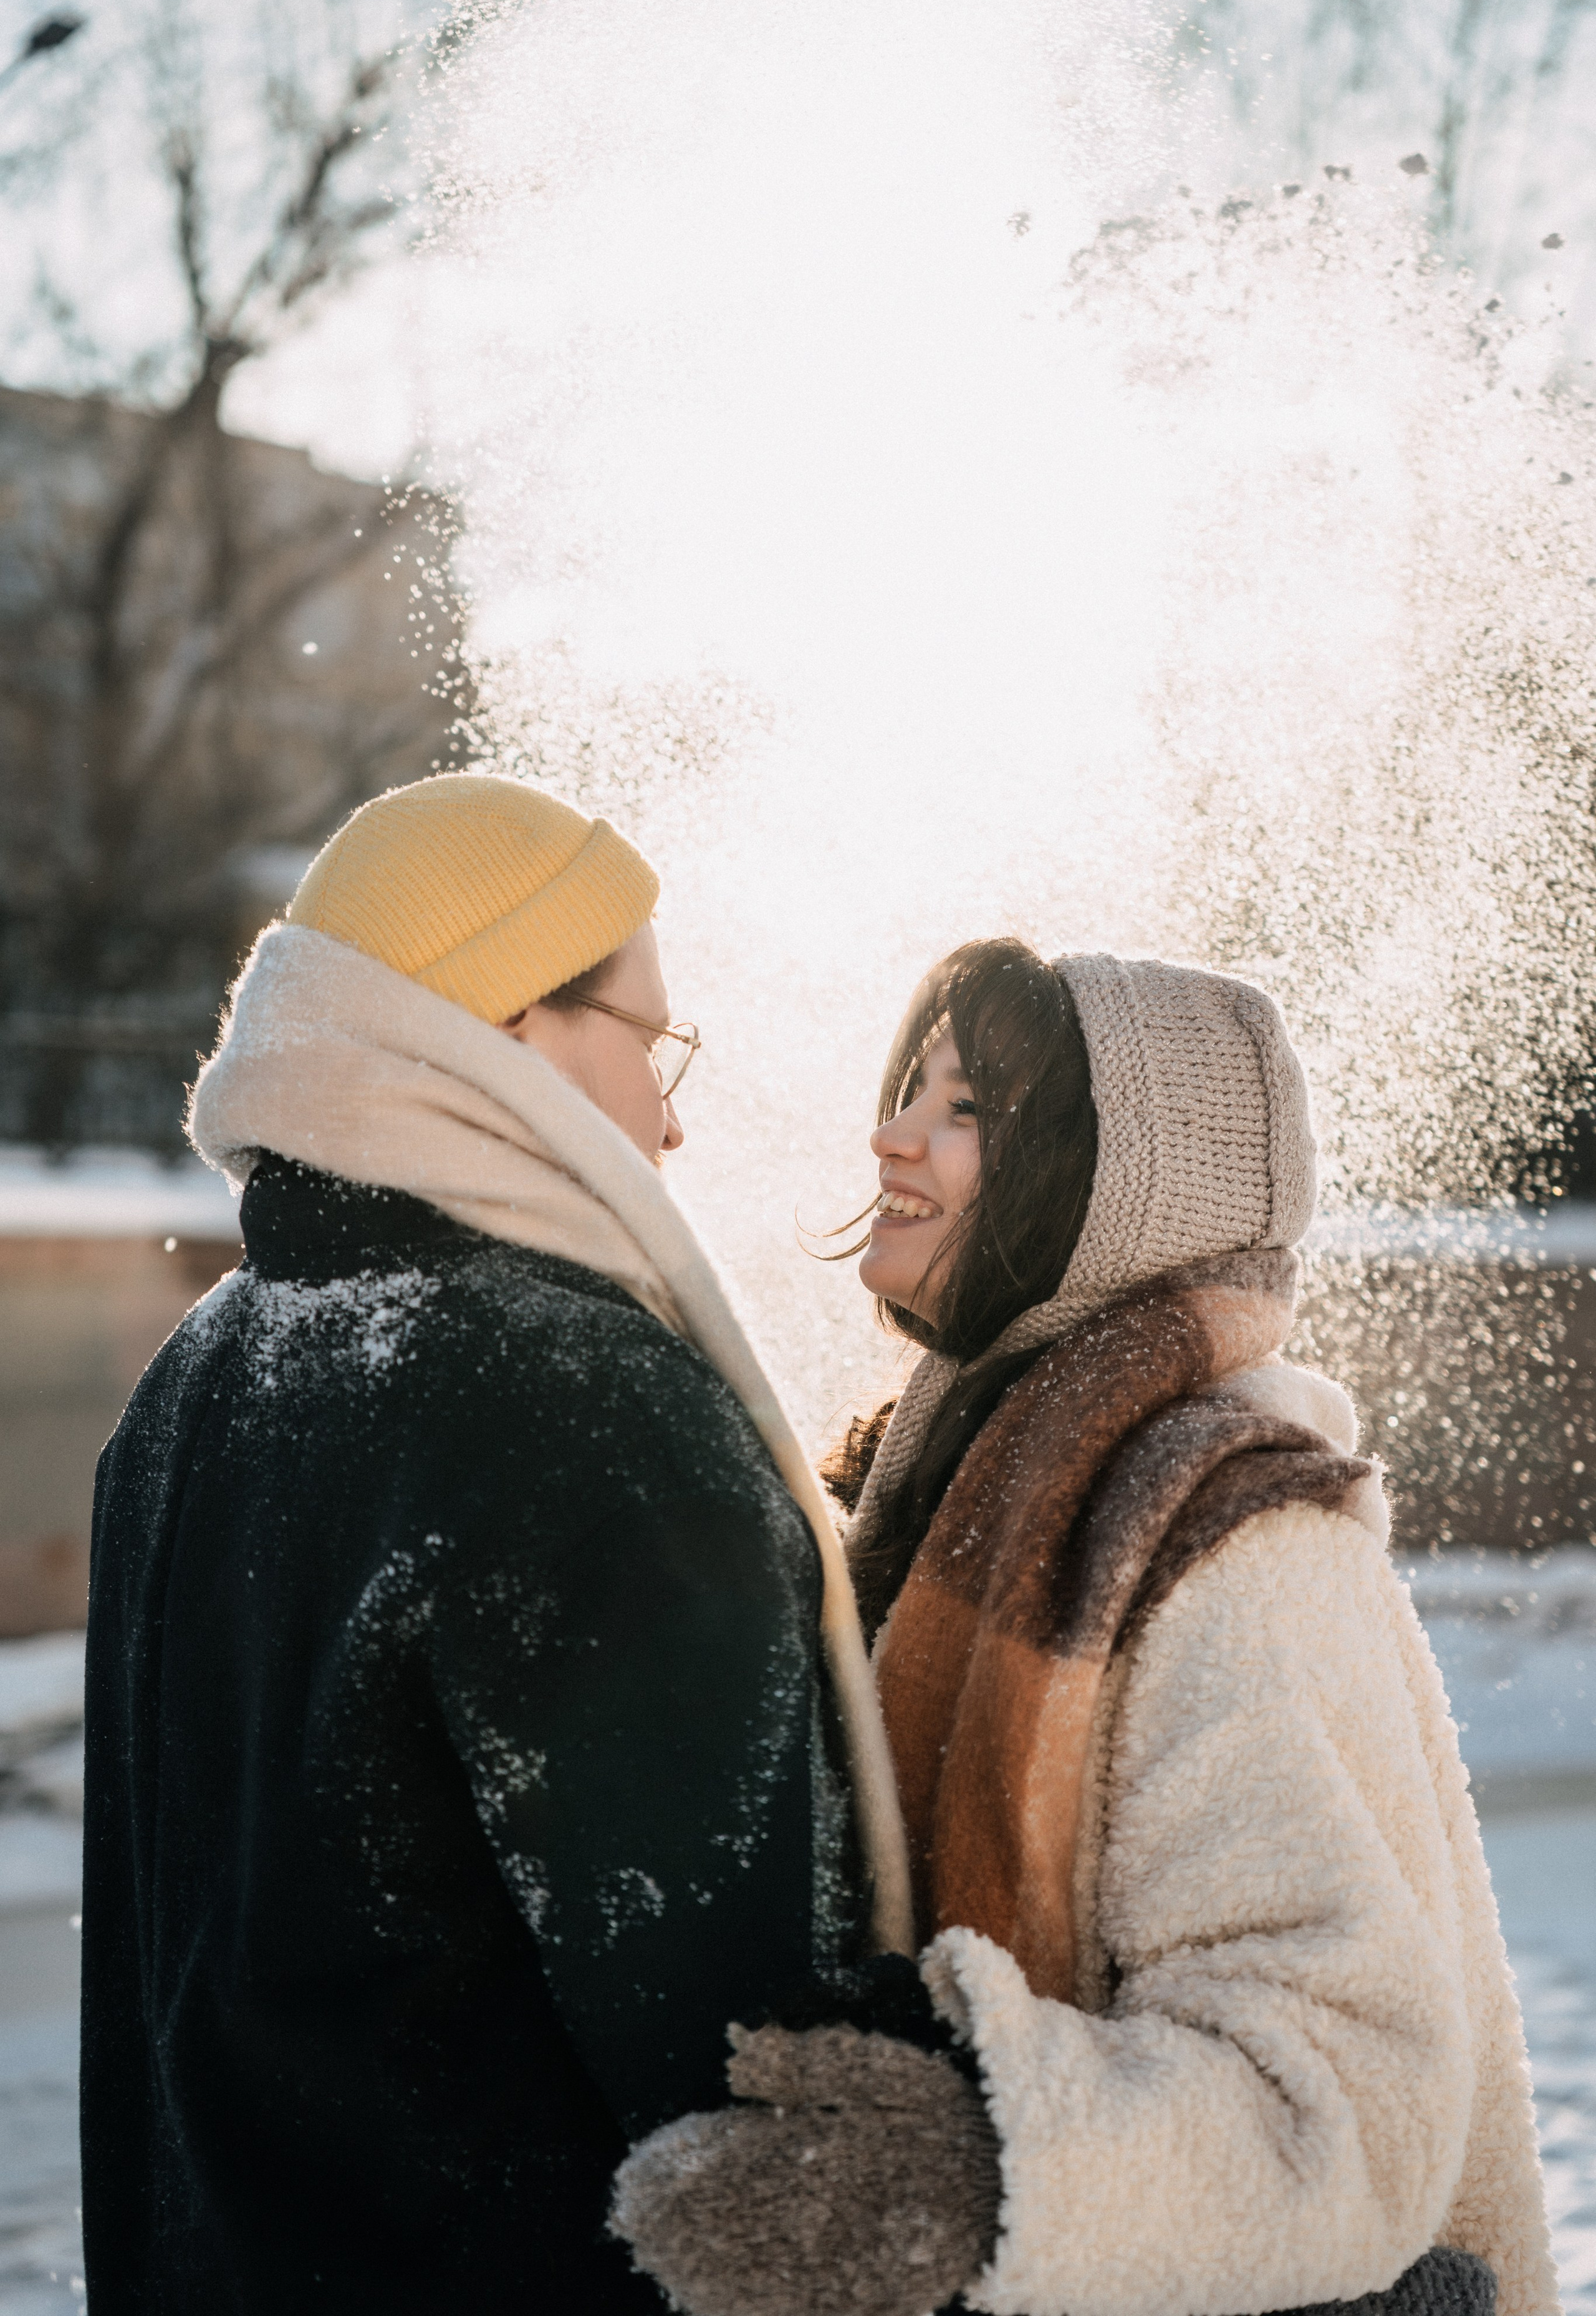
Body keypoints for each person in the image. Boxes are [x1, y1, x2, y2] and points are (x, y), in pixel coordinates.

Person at [613, 939, 1560, 2316]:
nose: (888, 1137)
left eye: (967, 1112)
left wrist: (976, 2171)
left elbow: (1344, 2102)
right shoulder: (910, 1482)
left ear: (1119, 1194)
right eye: (909, 1088)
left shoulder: (1231, 1544)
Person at [79, 774, 910, 2314]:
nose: (672, 1117)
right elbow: (752, 2086)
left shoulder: (204, 1375)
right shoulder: (580, 1410)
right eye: (653, 1042)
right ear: (507, 1030)